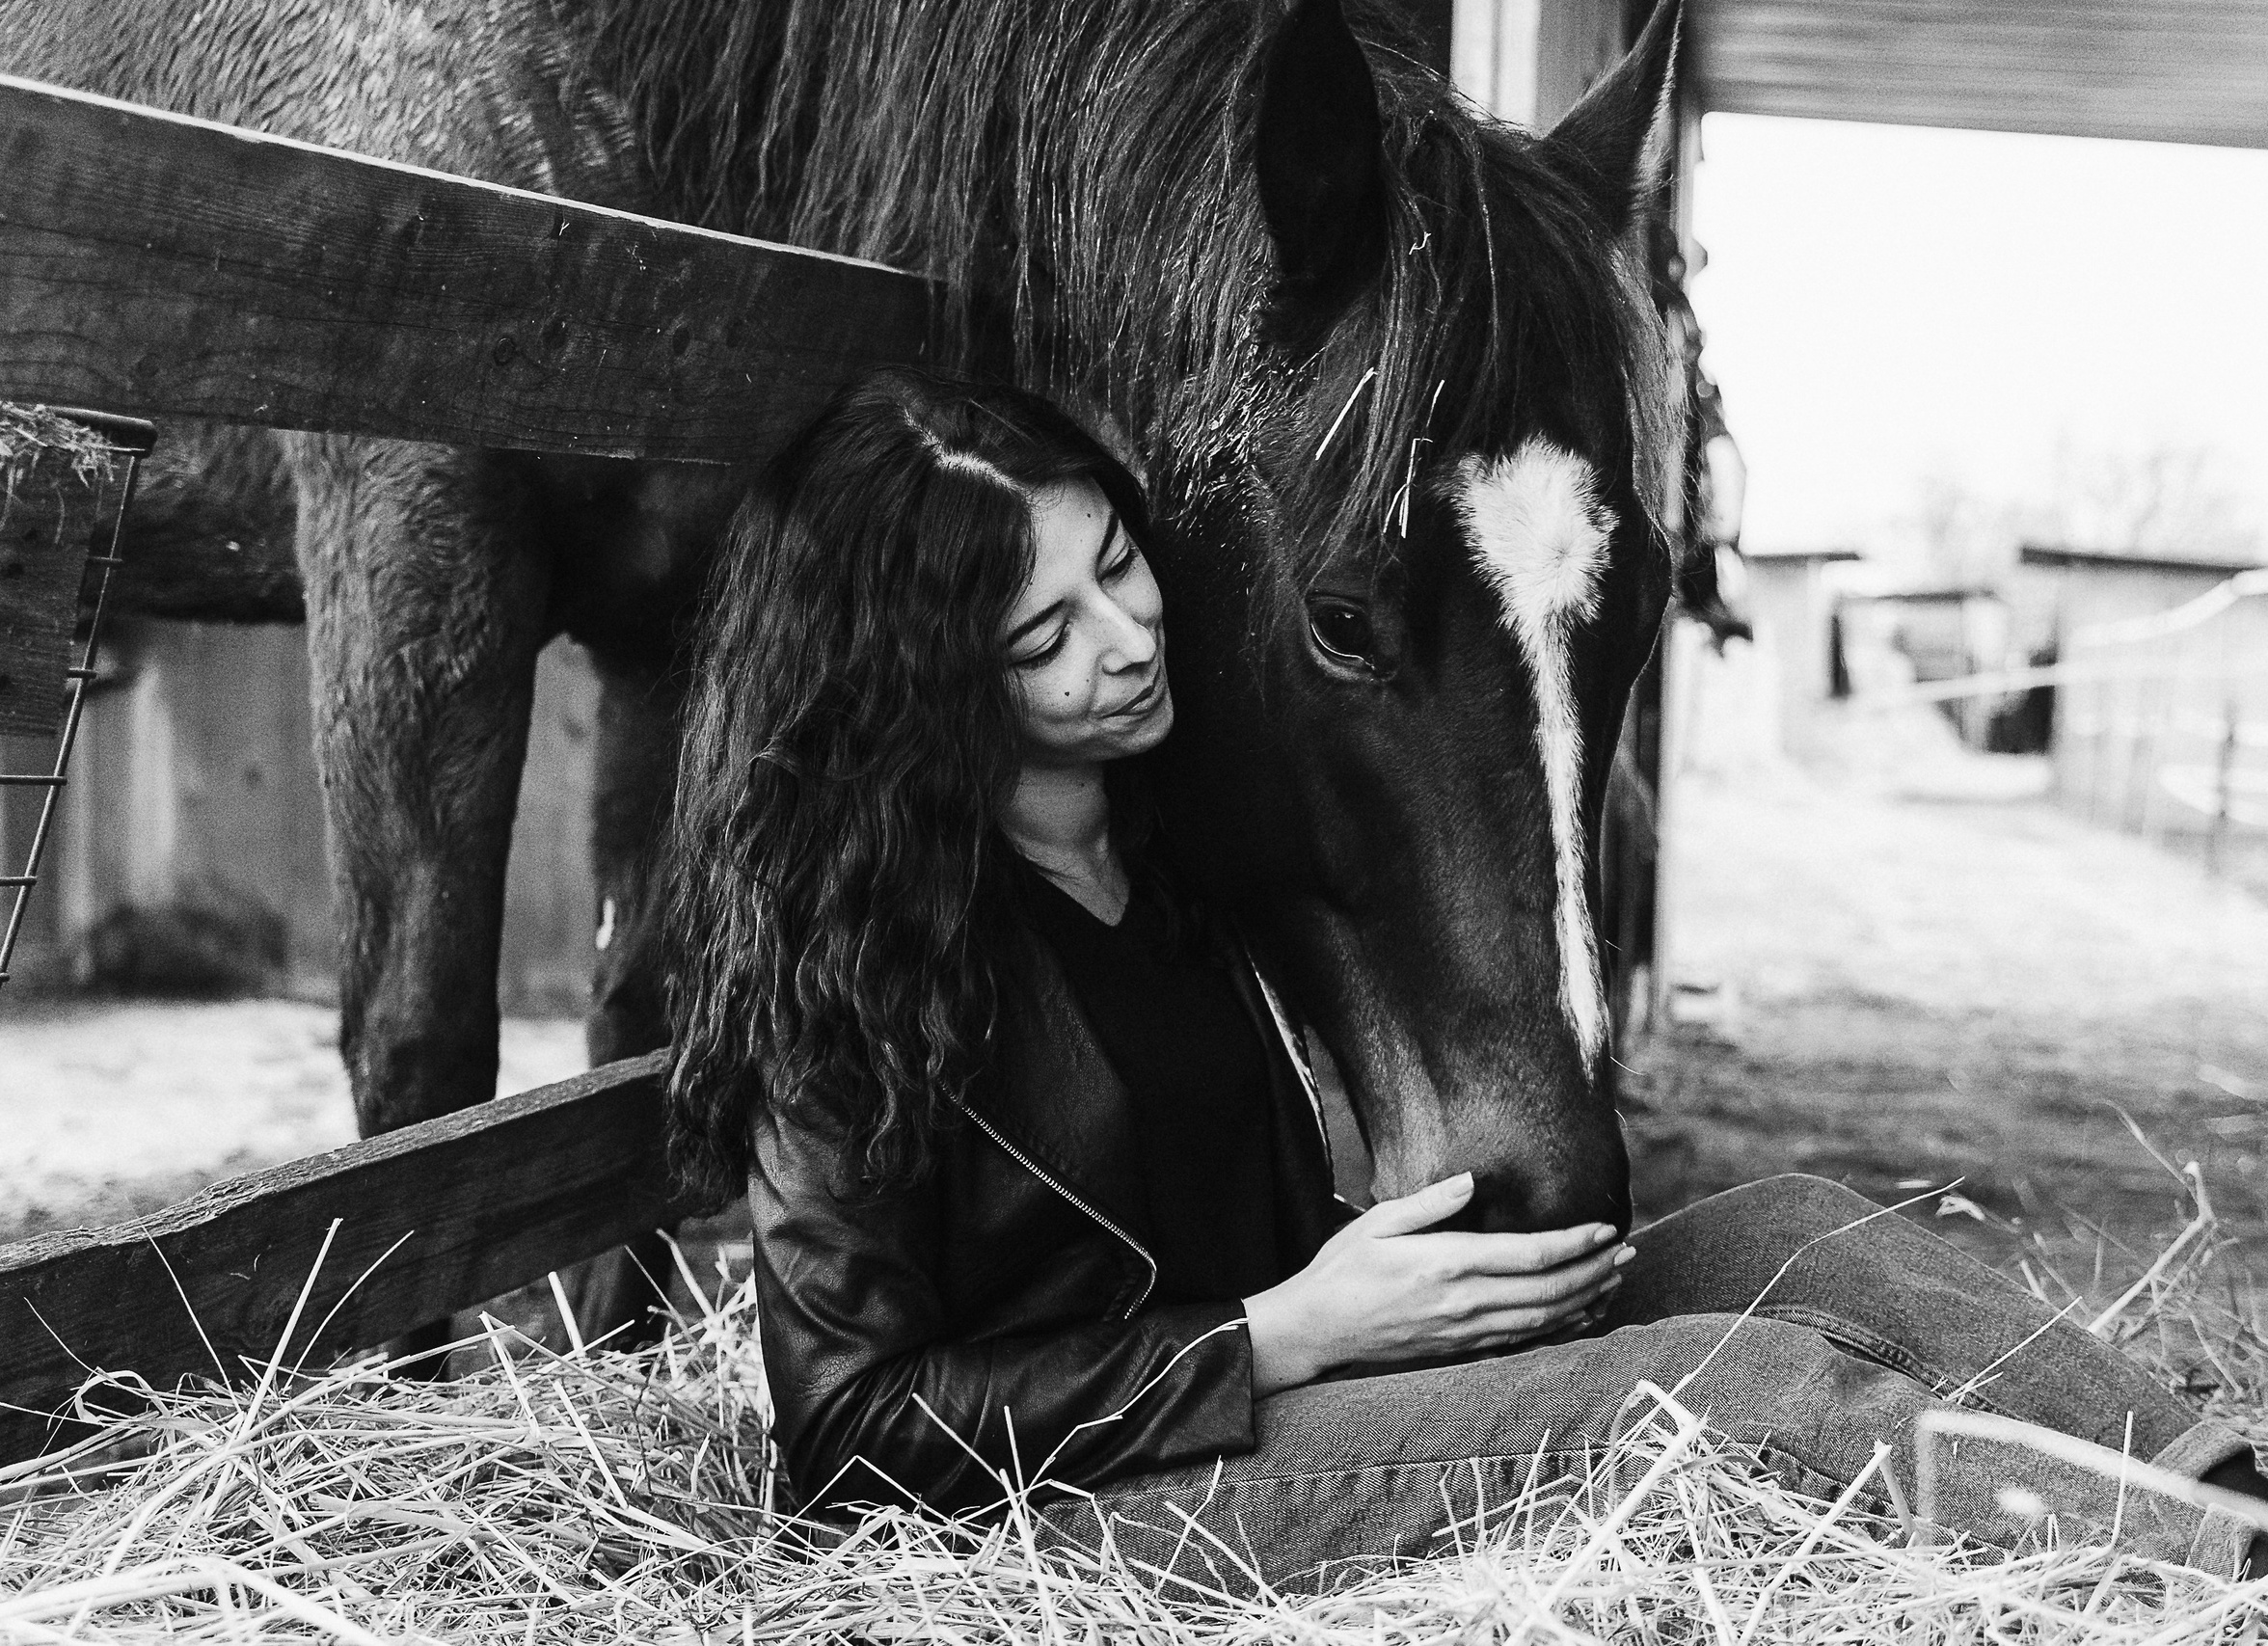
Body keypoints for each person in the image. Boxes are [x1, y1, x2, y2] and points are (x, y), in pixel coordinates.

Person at [659, 367, 2268, 1589]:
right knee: (1736, 1391)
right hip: (1115, 1496)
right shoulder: (854, 963)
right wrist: (1274, 1335)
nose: (1129, 636)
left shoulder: (1171, 848)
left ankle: (2228, 1491)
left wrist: (1355, 1300)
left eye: (1119, 564)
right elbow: (848, 1432)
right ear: (923, 682)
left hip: (1307, 1369)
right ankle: (2182, 1588)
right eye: (1043, 638)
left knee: (1789, 1233)